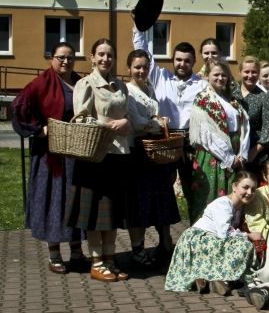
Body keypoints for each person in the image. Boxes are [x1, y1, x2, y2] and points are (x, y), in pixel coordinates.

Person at [10, 41, 87, 274]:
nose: (66, 61)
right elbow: (18, 107)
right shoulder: (41, 83)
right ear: (51, 58)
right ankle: (54, 253)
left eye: (70, 57)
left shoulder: (79, 82)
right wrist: (38, 129)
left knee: (75, 201)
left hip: (76, 153)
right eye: (61, 57)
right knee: (54, 202)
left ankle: (76, 251)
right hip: (50, 157)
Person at [66, 38, 131, 282]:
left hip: (118, 155)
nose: (106, 59)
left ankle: (110, 259)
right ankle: (96, 261)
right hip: (95, 157)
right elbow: (80, 119)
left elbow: (126, 117)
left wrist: (126, 122)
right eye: (101, 54)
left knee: (112, 213)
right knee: (94, 214)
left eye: (110, 55)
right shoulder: (86, 84)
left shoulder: (120, 86)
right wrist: (108, 125)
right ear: (92, 57)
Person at [132, 24, 208, 216]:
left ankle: (195, 231)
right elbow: (143, 52)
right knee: (162, 191)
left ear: (193, 62)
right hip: (165, 140)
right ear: (173, 60)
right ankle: (164, 238)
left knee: (195, 189)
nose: (182, 64)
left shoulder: (202, 85)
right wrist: (138, 26)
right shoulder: (161, 77)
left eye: (187, 61)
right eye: (178, 60)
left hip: (191, 143)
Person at [124, 49, 180, 268]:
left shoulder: (149, 88)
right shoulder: (127, 91)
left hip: (155, 149)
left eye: (145, 67)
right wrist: (157, 123)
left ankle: (165, 242)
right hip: (139, 151)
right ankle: (137, 248)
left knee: (160, 197)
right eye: (137, 67)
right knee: (139, 202)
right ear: (129, 68)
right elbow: (137, 122)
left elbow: (154, 117)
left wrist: (157, 122)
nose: (141, 71)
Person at [164, 171, 258, 295]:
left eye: (253, 189)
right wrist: (248, 235)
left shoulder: (238, 206)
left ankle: (207, 280)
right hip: (197, 239)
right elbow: (225, 233)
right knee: (243, 245)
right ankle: (223, 279)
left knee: (238, 244)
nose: (249, 192)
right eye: (245, 187)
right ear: (234, 187)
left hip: (208, 238)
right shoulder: (223, 204)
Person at [188, 58, 250, 223]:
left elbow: (244, 126)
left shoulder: (232, 100)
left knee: (232, 198)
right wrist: (229, 157)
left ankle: (230, 234)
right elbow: (207, 135)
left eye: (224, 75)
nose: (220, 78)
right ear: (207, 76)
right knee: (210, 198)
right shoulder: (203, 100)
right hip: (213, 157)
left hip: (235, 156)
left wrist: (241, 154)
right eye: (216, 74)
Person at [232, 56, 269, 170]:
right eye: (247, 72)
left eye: (254, 72)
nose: (250, 75)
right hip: (230, 150)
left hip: (253, 153)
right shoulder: (231, 93)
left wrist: (254, 151)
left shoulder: (264, 98)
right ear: (240, 72)